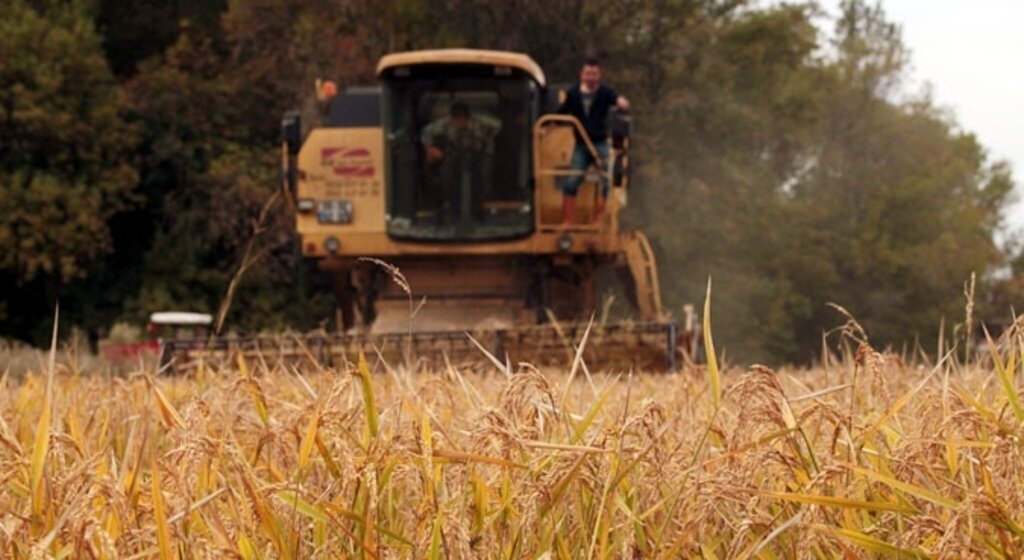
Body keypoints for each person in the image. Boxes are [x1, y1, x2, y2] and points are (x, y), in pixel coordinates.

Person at [558, 57, 630, 224]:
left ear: (599, 75)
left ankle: (600, 219)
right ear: (582, 74)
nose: (591, 77)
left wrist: (622, 102)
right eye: (588, 73)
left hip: (600, 143)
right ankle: (567, 220)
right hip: (581, 145)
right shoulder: (573, 93)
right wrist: (547, 127)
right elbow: (562, 112)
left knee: (607, 180)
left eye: (594, 74)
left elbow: (618, 99)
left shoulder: (605, 92)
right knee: (571, 181)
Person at [421, 103, 501, 223]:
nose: (459, 123)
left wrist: (488, 139)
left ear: (468, 118)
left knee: (483, 176)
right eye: (456, 119)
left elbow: (498, 125)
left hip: (480, 150)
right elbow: (426, 133)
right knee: (447, 175)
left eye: (462, 119)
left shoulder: (480, 122)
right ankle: (451, 209)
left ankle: (479, 209)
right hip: (455, 151)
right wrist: (430, 148)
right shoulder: (443, 125)